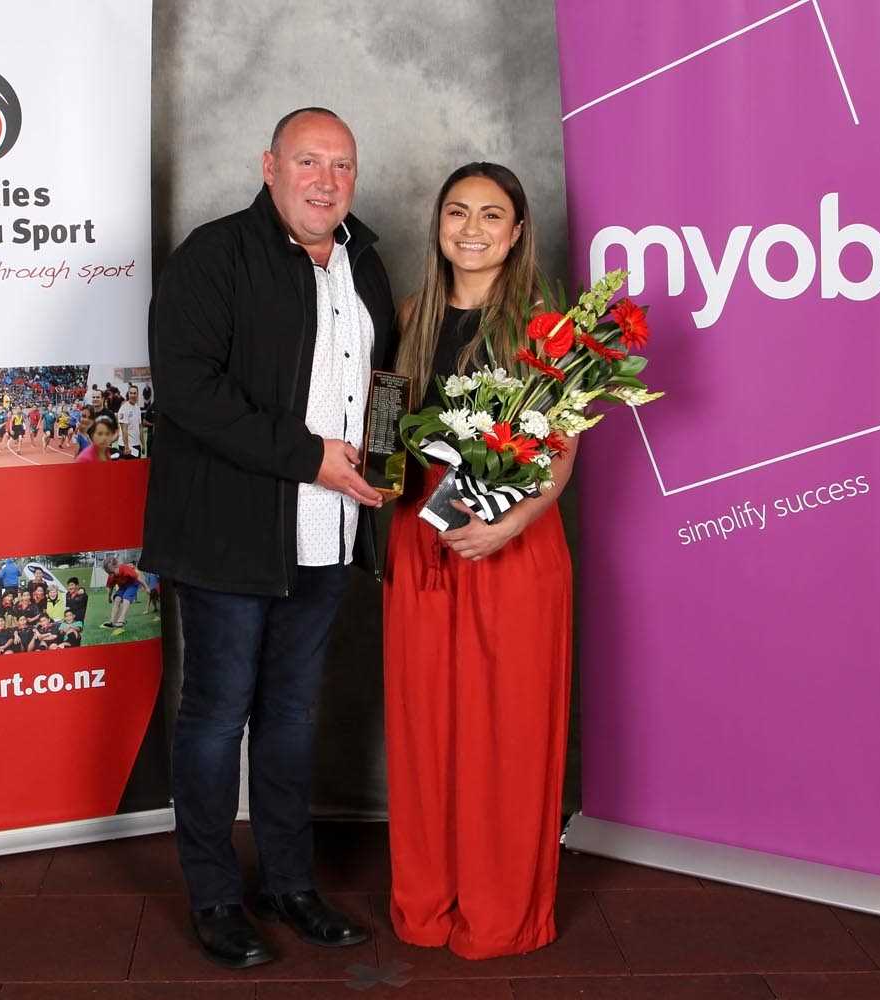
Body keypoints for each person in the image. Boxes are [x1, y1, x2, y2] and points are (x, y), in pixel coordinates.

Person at [142, 106, 395, 969]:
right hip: (230, 534)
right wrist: (310, 457)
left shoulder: (364, 260)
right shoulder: (214, 257)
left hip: (329, 532)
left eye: (342, 165)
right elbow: (188, 390)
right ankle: (216, 898)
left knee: (291, 716)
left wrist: (384, 463)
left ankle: (290, 883)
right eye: (308, 161)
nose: (327, 180)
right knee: (218, 717)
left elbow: (383, 379)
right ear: (269, 166)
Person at [384, 163, 573, 960]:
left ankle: (499, 911)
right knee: (425, 726)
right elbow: (387, 425)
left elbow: (560, 453)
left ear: (518, 230)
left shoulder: (546, 328)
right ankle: (426, 903)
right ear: (438, 224)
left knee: (507, 728)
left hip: (511, 544)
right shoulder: (410, 315)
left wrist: (508, 525)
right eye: (457, 211)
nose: (471, 229)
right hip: (420, 537)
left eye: (491, 215)